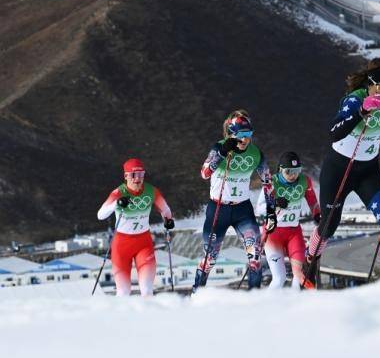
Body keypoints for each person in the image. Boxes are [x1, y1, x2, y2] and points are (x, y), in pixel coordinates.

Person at [302, 57, 380, 287]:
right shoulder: (354, 100)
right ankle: (310, 258)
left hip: (367, 171)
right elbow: (334, 132)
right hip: (339, 168)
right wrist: (361, 110)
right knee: (329, 225)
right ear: (370, 84)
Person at [194, 110, 276, 291]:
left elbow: (267, 182)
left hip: (242, 211)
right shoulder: (219, 147)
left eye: (248, 135)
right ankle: (196, 294)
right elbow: (204, 174)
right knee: (209, 259)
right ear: (231, 133)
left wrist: (271, 211)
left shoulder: (256, 154)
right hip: (218, 208)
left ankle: (254, 296)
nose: (244, 140)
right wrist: (222, 153)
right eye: (240, 135)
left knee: (255, 256)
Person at [97, 158, 174, 296]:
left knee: (147, 290)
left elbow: (165, 209)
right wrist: (117, 204)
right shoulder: (118, 193)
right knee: (123, 292)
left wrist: (168, 220)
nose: (137, 179)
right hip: (121, 245)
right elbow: (100, 215)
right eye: (133, 175)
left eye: (141, 175)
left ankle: (148, 316)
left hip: (143, 243)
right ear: (126, 176)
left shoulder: (151, 191)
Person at [256, 151, 321, 288]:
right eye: (288, 171)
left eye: (297, 171)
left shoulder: (304, 181)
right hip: (274, 234)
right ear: (280, 170)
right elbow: (259, 208)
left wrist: (317, 215)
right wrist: (275, 203)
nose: (293, 175)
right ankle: (265, 308)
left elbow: (312, 201)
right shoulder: (271, 182)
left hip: (294, 234)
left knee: (299, 277)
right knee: (280, 278)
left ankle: (294, 307)